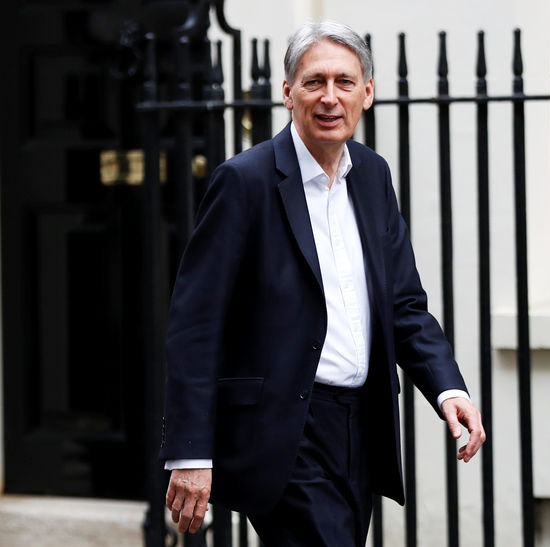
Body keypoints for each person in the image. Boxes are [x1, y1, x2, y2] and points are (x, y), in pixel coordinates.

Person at [159, 20, 485, 545]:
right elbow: (196, 323)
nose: (329, 97)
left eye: (344, 82)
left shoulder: (374, 177)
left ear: (368, 93)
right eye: (314, 82)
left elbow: (403, 304)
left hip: (362, 426)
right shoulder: (245, 181)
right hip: (285, 431)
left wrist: (447, 387)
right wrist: (191, 451)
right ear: (288, 93)